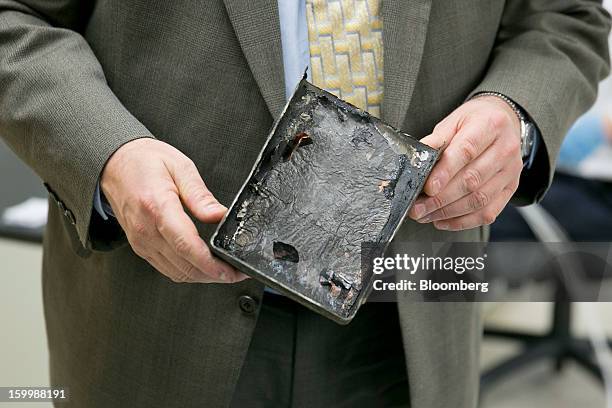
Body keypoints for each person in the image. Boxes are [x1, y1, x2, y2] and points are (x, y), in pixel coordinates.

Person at [0, 1, 609, 407]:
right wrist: (108, 152)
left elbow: (565, 17)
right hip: (160, 316)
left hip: (410, 321)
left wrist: (518, 114)